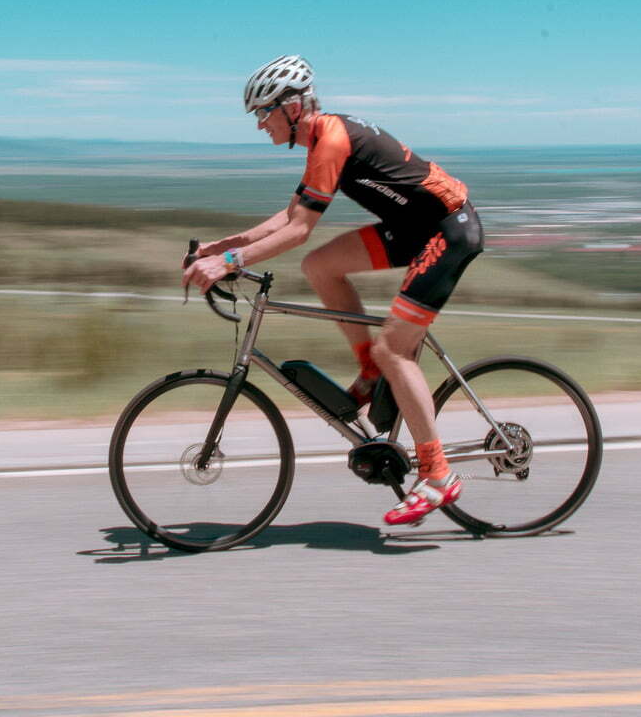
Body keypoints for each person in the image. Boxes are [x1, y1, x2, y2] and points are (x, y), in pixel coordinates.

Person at [182, 55, 483, 526]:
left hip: (447, 229)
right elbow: (290, 216)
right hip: (414, 227)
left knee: (395, 352)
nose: (260, 124)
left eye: (264, 112)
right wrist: (225, 246)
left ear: (293, 107)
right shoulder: (321, 137)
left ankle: (437, 474)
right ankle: (369, 371)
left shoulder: (332, 139)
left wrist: (228, 264)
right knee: (321, 266)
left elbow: (299, 228)